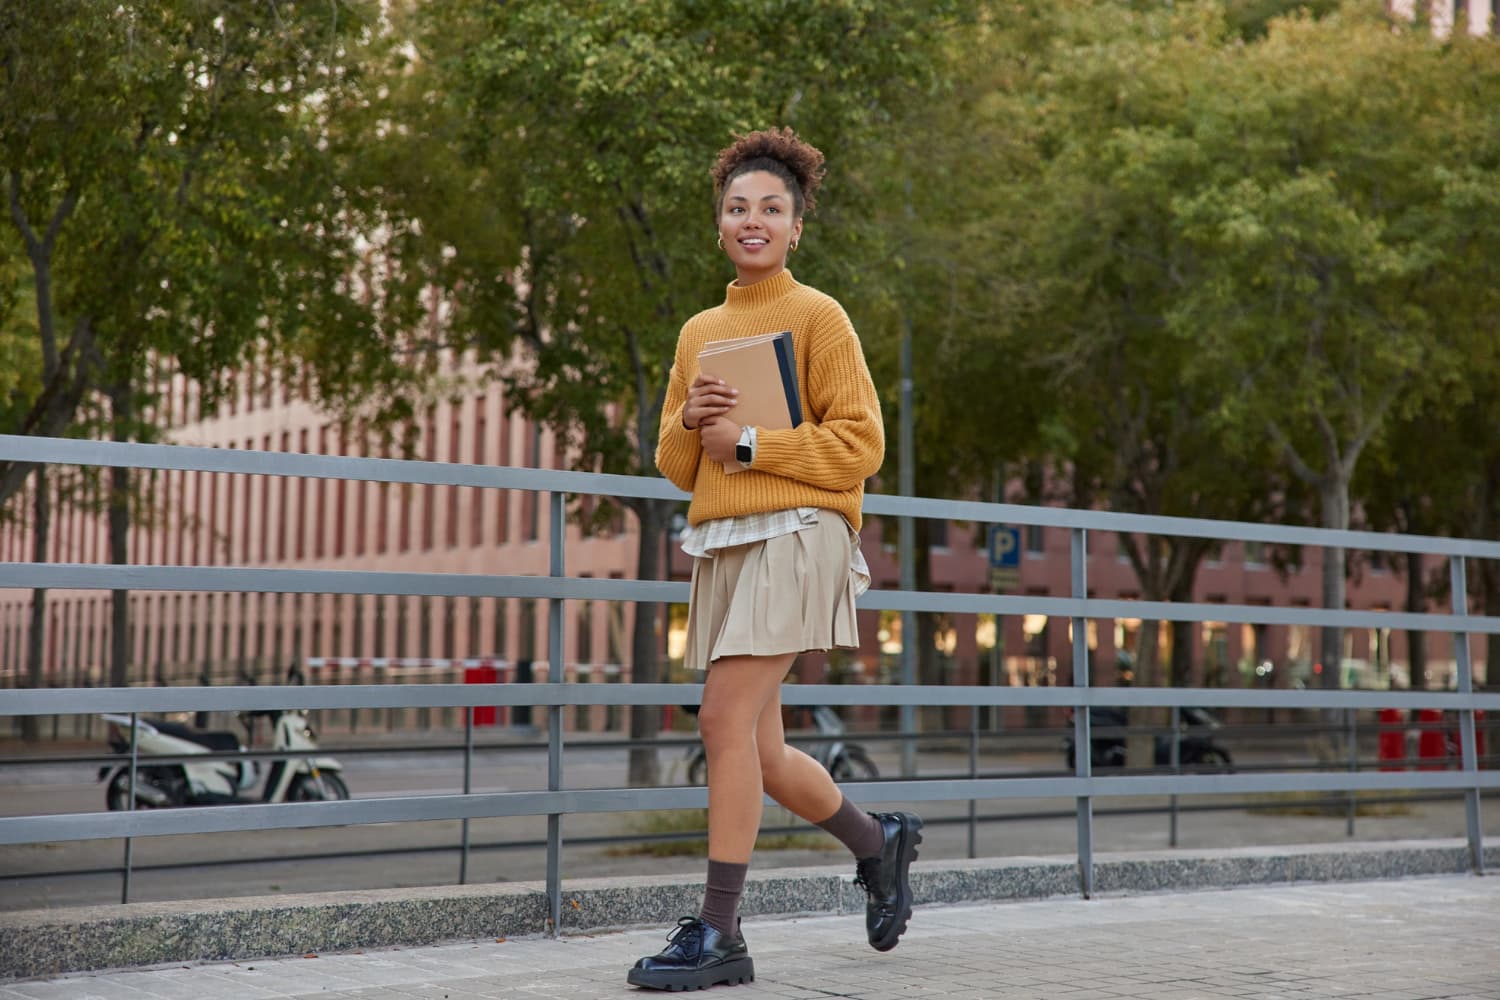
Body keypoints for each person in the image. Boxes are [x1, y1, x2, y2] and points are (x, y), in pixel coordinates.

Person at [629, 127, 923, 992]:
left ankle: (720, 932)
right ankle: (878, 842)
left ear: (797, 227)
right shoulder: (699, 332)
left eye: (770, 208)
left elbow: (861, 444)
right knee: (758, 752)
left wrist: (754, 441)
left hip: (800, 532)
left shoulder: (819, 316)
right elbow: (675, 464)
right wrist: (692, 424)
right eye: (737, 208)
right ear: (718, 225)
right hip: (725, 542)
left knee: (720, 719)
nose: (752, 220)